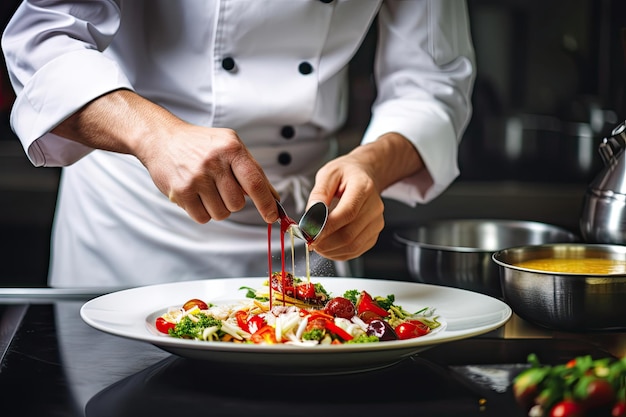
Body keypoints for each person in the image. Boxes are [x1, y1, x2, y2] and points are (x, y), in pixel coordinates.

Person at [1, 0, 475, 288]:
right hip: (136, 222)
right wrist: (153, 135)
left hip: (308, 223)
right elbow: (40, 39)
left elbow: (433, 81)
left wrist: (370, 166)